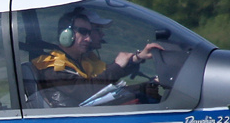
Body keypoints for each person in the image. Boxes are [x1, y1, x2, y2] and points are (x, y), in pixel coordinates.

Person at [32, 8, 163, 107]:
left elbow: (105, 85)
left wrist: (138, 62)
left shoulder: (83, 61)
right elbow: (89, 92)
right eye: (83, 32)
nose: (88, 39)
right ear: (66, 34)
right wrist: (117, 66)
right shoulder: (53, 66)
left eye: (89, 33)